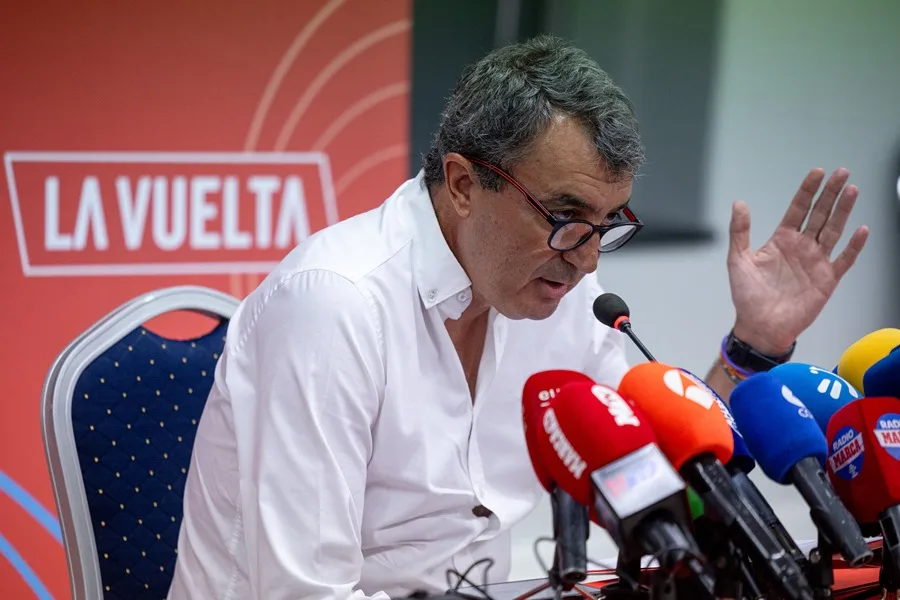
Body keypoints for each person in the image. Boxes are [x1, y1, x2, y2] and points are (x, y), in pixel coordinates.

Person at [168, 35, 868, 599]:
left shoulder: (560, 290)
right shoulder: (333, 306)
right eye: (565, 216)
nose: (586, 260)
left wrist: (753, 345)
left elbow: (656, 479)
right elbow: (304, 593)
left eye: (606, 225)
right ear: (464, 184)